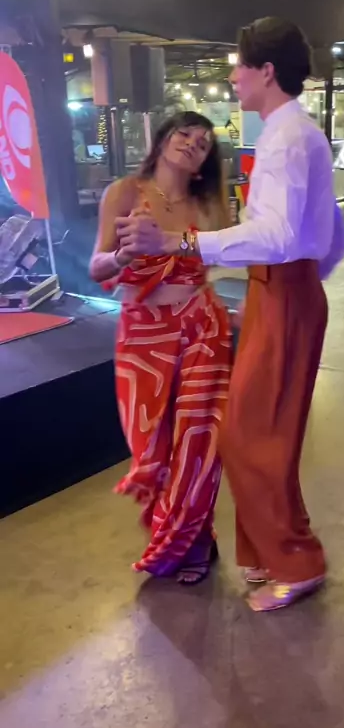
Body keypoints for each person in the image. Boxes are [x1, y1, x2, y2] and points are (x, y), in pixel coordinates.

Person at [114, 17, 344, 612]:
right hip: (282, 292)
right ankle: (275, 553)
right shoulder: (290, 133)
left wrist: (183, 243)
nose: (233, 75)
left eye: (239, 64)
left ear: (265, 71)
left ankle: (296, 561)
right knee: (256, 433)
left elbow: (279, 235)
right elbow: (332, 233)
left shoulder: (287, 138)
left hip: (284, 293)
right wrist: (290, 283)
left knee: (254, 436)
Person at [89, 112, 232, 585]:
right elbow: (97, 267)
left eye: (203, 144)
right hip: (141, 335)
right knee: (150, 446)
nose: (192, 144)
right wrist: (123, 255)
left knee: (197, 440)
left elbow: (227, 252)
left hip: (201, 327)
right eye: (184, 134)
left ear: (206, 161)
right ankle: (181, 530)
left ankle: (192, 542)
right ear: (164, 138)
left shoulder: (209, 204)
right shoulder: (125, 193)